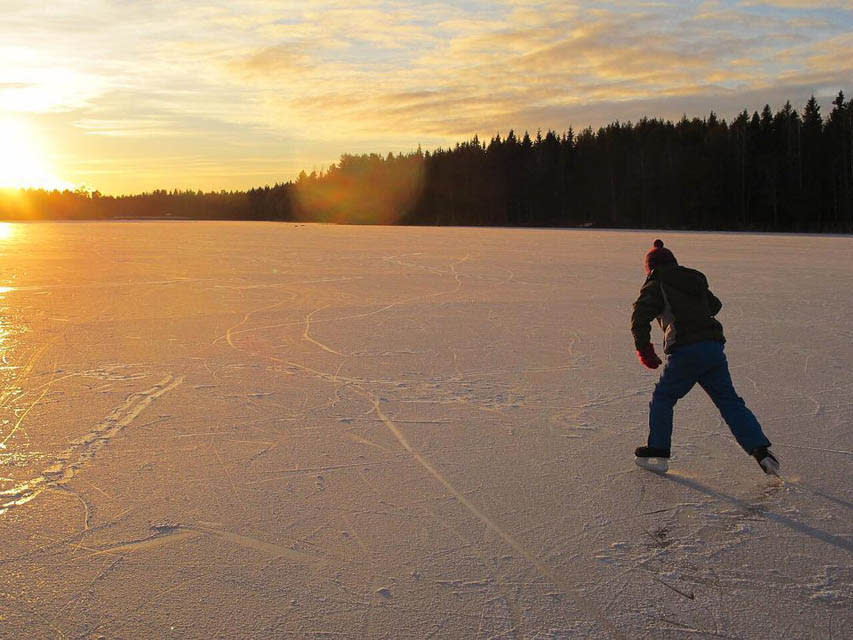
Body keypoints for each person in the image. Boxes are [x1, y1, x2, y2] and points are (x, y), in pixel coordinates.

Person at [630, 239, 779, 474]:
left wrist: (644, 350)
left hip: (687, 350)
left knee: (663, 397)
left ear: (651, 267)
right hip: (713, 348)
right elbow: (714, 306)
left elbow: (640, 317)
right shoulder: (693, 280)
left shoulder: (657, 283)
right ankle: (761, 451)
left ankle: (658, 449)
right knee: (729, 401)